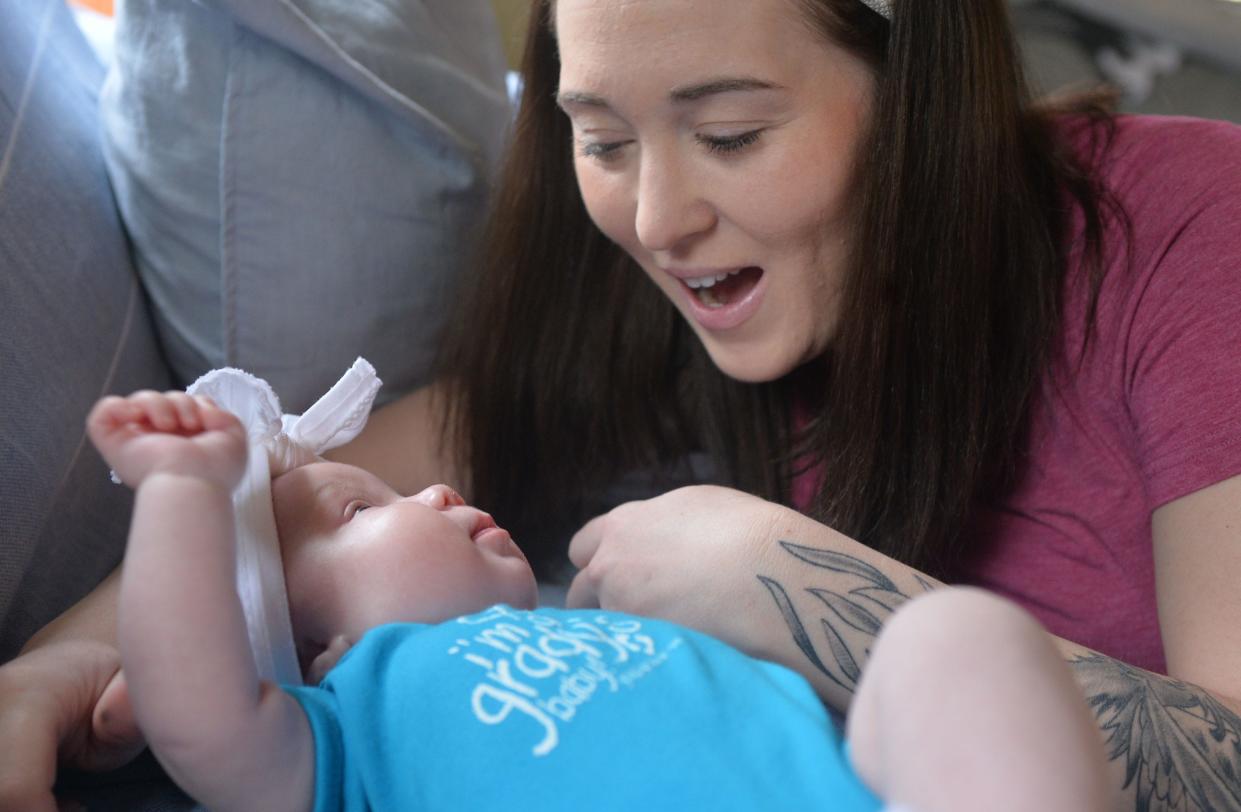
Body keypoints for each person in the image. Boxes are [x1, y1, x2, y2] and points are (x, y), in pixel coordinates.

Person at [3, 0, 1240, 809]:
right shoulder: (634, 323)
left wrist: (789, 576)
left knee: (954, 653)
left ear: (915, 83)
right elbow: (294, 519)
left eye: (733, 133)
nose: (656, 222)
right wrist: (50, 667)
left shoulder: (1185, 226)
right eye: (600, 139)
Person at [90, 388, 1106, 812]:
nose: (436, 490)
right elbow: (197, 710)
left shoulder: (602, 614)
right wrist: (183, 488)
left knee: (954, 634)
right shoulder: (347, 727)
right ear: (317, 646)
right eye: (362, 509)